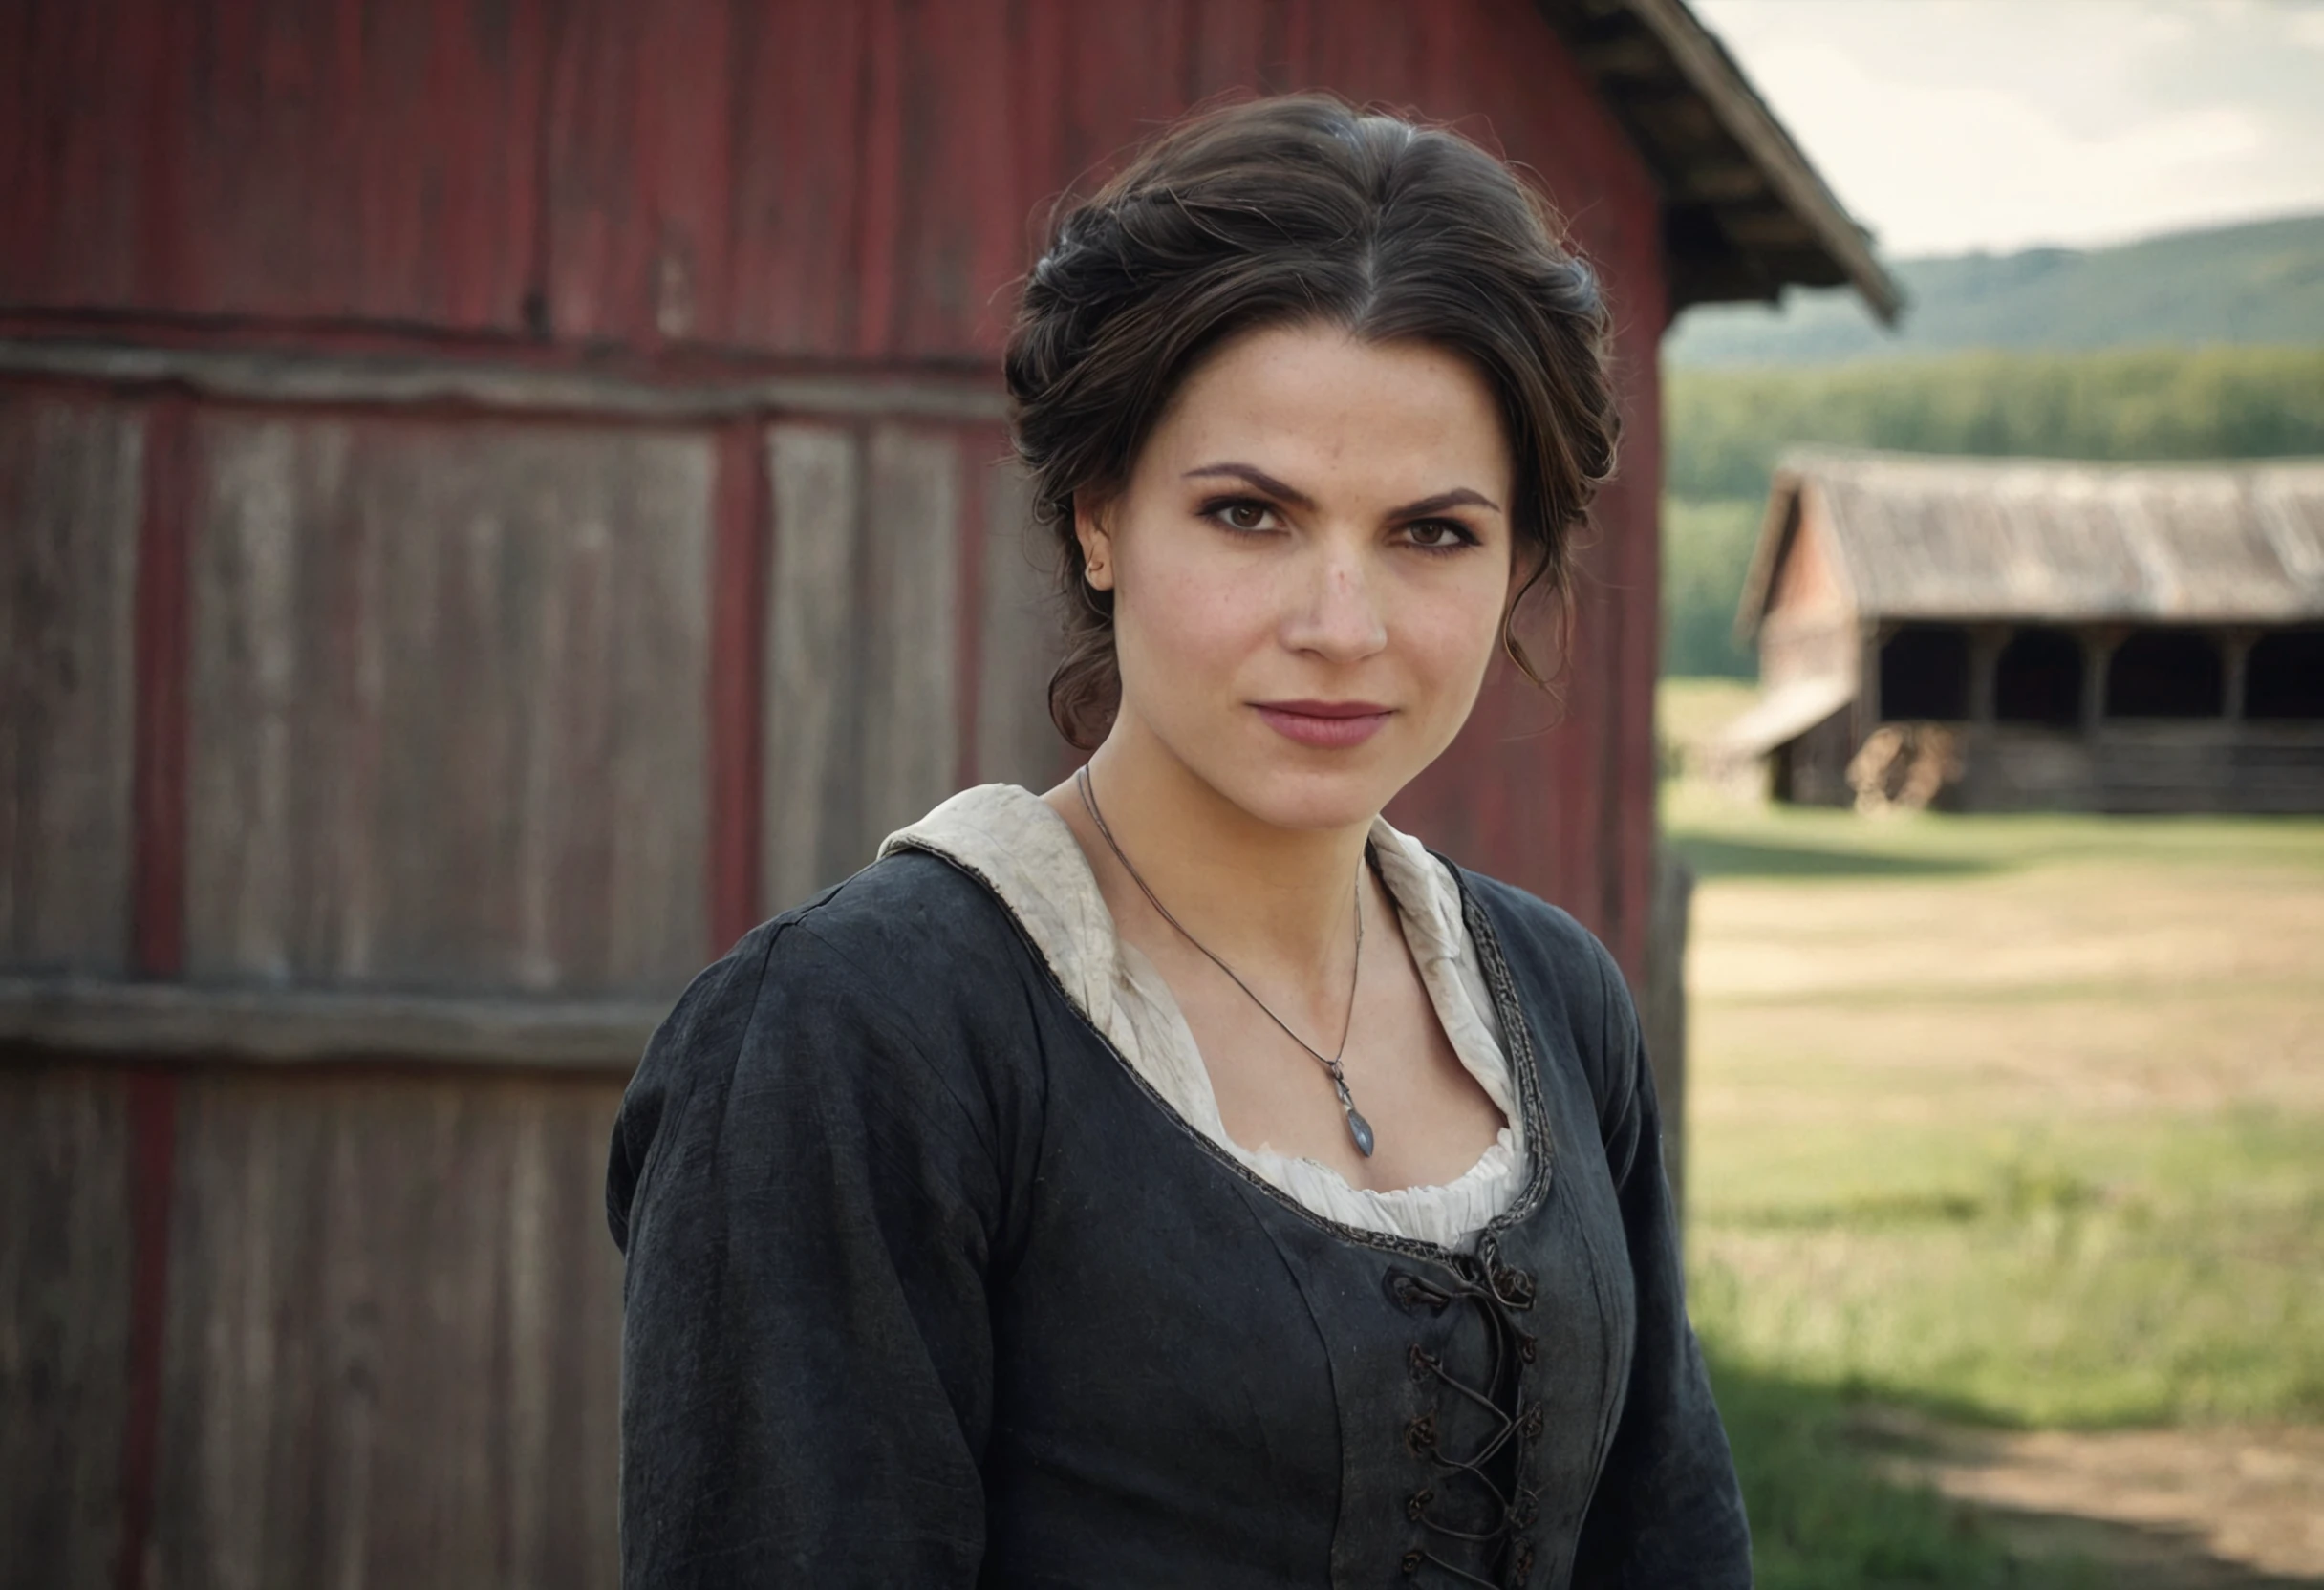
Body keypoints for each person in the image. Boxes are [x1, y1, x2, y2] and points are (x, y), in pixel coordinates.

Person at [607, 93, 1749, 1589]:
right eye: (1249, 515)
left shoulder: (1557, 1002)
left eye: (1432, 533)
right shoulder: (862, 1035)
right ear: (1099, 518)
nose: (1341, 628)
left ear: (1519, 561)